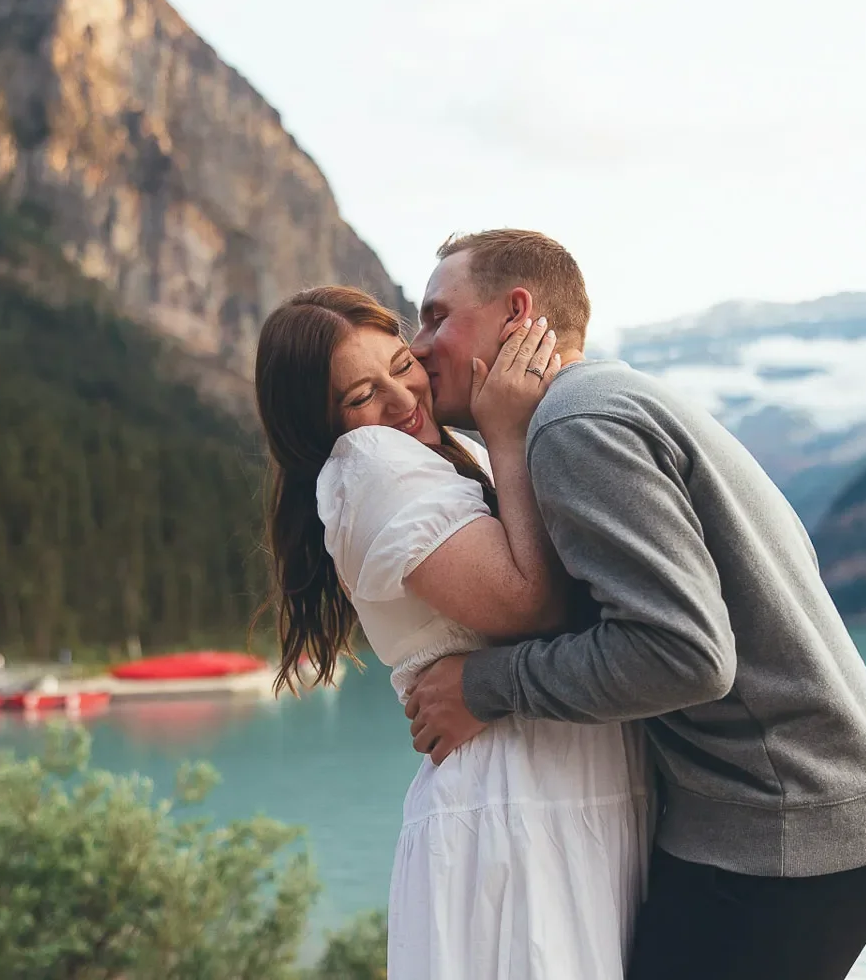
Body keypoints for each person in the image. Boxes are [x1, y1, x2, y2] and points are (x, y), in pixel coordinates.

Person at [403, 230, 866, 980]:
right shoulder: (613, 399)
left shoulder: (576, 426)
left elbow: (685, 656)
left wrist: (483, 685)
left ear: (517, 312)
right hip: (813, 812)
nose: (418, 346)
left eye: (437, 317)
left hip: (782, 833)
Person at [254, 286, 649, 980]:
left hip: (561, 796)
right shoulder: (372, 464)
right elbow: (529, 604)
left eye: (400, 365)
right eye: (360, 396)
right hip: (518, 808)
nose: (401, 400)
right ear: (319, 427)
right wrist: (508, 431)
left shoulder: (438, 455)